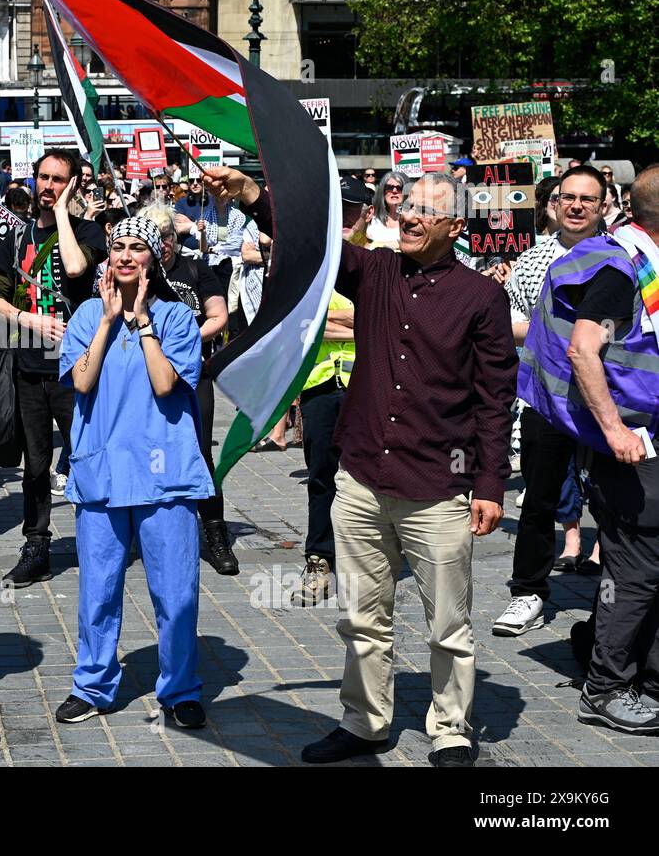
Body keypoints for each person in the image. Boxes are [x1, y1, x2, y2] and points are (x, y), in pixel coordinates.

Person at [206, 167, 517, 766]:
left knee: (448, 624)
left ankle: (451, 727)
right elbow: (314, 245)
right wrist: (251, 195)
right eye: (405, 207)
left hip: (438, 487)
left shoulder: (481, 297)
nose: (410, 216)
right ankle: (365, 721)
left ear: (455, 225)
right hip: (361, 481)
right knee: (360, 615)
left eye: (427, 209)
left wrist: (489, 484)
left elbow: (494, 399)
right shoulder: (376, 271)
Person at [54, 214, 215, 727]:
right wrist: (106, 320)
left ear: (156, 258)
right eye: (117, 246)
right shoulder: (84, 316)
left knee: (176, 593)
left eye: (136, 247)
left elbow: (166, 383)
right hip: (101, 473)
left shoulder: (176, 318)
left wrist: (142, 321)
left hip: (165, 476)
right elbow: (81, 382)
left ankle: (181, 689)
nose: (125, 255)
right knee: (97, 591)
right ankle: (92, 686)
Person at [521, 164, 659, 734]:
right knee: (637, 571)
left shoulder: (638, 260)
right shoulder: (618, 265)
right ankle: (604, 687)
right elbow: (583, 350)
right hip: (632, 450)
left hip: (645, 443)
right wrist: (615, 432)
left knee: (652, 568)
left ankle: (646, 682)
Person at [493, 167, 607, 637]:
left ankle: (616, 598)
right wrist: (558, 336)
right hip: (546, 395)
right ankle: (528, 593)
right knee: (539, 497)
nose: (577, 206)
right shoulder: (533, 258)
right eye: (568, 198)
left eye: (588, 199)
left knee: (614, 497)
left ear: (604, 207)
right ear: (553, 205)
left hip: (604, 397)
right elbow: (510, 322)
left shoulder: (619, 256)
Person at [0, 149, 108, 587]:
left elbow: (76, 268)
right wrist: (28, 319)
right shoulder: (17, 239)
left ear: (73, 184)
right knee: (36, 464)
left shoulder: (87, 230)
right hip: (28, 366)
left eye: (59, 180)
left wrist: (62, 212)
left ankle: (99, 540)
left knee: (86, 454)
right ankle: (36, 543)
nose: (48, 186)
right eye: (43, 177)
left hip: (77, 367)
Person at [147, 205, 234, 576]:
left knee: (200, 451)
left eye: (168, 236)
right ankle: (155, 533)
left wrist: (182, 342)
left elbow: (219, 315)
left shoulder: (196, 269)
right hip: (147, 374)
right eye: (156, 237)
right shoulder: (136, 272)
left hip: (192, 374)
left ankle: (215, 533)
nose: (163, 244)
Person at [292, 180, 366, 606]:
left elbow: (384, 322)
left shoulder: (381, 261)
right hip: (321, 383)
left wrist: (333, 320)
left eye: (351, 210)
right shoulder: (312, 263)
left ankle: (366, 561)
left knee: (370, 477)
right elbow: (304, 323)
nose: (344, 218)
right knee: (322, 476)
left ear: (365, 216)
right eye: (338, 209)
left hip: (368, 384)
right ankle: (320, 559)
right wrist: (351, 320)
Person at [366, 171, 408, 248]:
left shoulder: (412, 220)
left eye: (399, 188)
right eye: (389, 187)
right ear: (383, 191)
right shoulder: (371, 219)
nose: (394, 191)